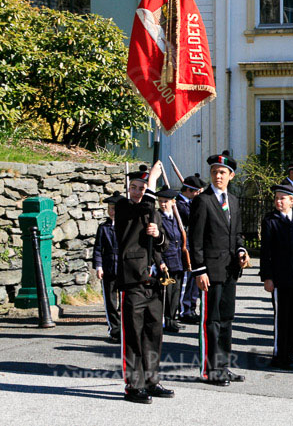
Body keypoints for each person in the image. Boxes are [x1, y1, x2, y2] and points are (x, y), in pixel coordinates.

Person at [188, 150, 250, 386]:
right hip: (210, 271)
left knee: (226, 319)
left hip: (229, 270)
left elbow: (238, 235)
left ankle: (223, 366)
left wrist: (242, 250)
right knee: (210, 321)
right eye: (214, 172)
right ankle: (210, 370)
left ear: (231, 176)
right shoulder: (203, 201)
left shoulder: (233, 201)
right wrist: (199, 270)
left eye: (223, 172)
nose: (218, 176)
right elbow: (195, 240)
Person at [115, 162, 174, 404]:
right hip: (133, 280)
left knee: (153, 333)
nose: (138, 192)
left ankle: (151, 380)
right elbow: (144, 208)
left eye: (142, 187)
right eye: (135, 187)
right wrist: (152, 182)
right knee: (133, 335)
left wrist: (157, 236)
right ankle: (133, 385)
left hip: (154, 282)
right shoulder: (124, 208)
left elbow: (164, 244)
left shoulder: (154, 212)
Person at [260, 184, 293, 371]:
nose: (278, 201)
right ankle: (279, 354)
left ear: (292, 200)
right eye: (276, 198)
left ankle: (292, 352)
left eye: (282, 198)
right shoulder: (270, 220)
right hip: (279, 276)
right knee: (281, 317)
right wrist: (267, 277)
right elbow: (266, 251)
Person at [94, 191, 123, 343]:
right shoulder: (103, 228)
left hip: (124, 269)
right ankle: (115, 330)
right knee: (111, 302)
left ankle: (127, 330)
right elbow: (98, 249)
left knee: (126, 302)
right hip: (109, 267)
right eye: (110, 208)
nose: (112, 212)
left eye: (116, 209)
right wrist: (99, 266)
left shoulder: (127, 226)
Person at [177, 174, 206, 324]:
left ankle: (191, 308)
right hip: (184, 247)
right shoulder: (180, 205)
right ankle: (184, 309)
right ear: (189, 190)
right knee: (186, 281)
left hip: (193, 246)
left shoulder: (190, 203)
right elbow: (191, 219)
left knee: (193, 281)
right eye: (196, 192)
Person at [156, 188, 184, 333]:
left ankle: (173, 318)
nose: (162, 204)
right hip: (167, 261)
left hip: (178, 260)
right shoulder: (158, 217)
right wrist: (160, 261)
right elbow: (156, 243)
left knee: (176, 292)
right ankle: (166, 320)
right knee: (167, 292)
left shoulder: (176, 217)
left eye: (165, 201)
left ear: (173, 202)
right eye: (160, 201)